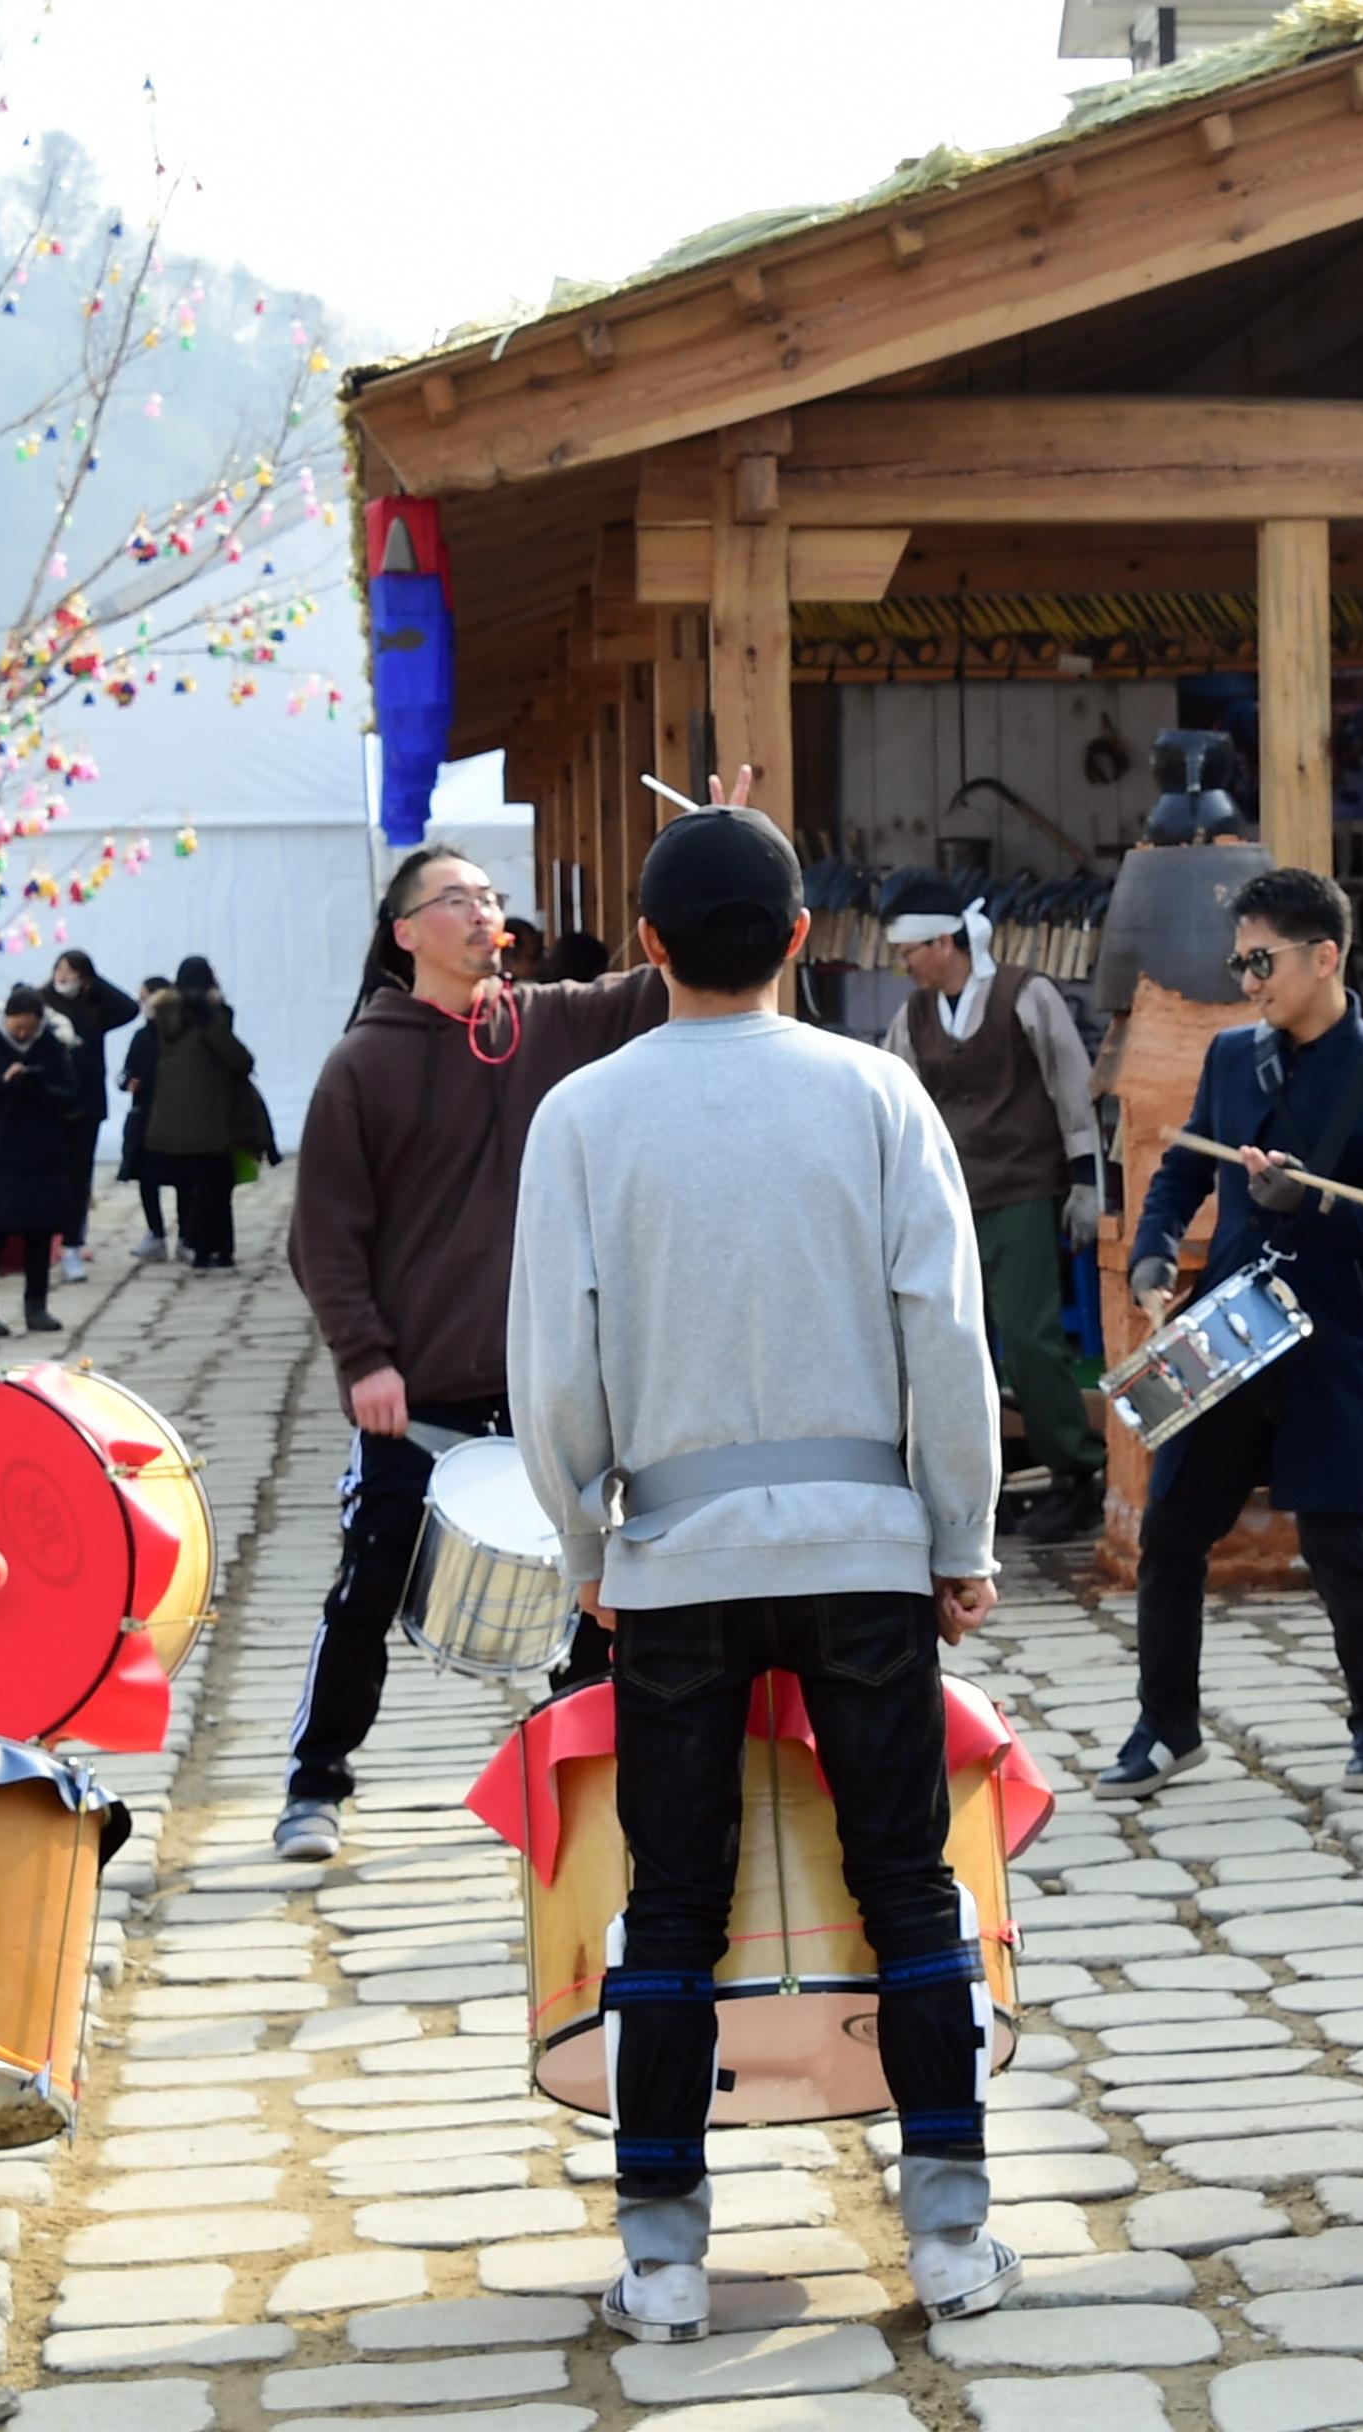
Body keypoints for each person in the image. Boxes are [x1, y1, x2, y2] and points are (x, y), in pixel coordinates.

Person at [508, 791, 1018, 2340]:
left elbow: (553, 1370)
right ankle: (947, 2233)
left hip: (672, 1557)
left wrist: (589, 1538)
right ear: (804, 938)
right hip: (866, 1548)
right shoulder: (875, 1094)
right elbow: (946, 1334)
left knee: (672, 1902)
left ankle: (663, 2255)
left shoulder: (584, 1116)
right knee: (908, 1886)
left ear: (648, 944)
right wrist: (962, 1534)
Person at [276, 843, 668, 1861]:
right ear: (406, 931)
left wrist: (700, 857)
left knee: (593, 1597)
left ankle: (592, 1787)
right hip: (418, 1396)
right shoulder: (362, 1062)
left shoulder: (542, 1023)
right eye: (457, 899)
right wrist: (366, 1358)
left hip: (549, 1387)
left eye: (490, 897)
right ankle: (316, 1783)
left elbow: (655, 987)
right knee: (369, 1586)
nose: (482, 912)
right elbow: (321, 1232)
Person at [1099, 868, 1363, 1800]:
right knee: (1171, 1532)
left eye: (1261, 961)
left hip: (1337, 1341)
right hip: (1230, 1334)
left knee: (1336, 1541)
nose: (1246, 981)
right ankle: (1166, 1726)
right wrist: (1155, 1252)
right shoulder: (1231, 1057)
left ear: (1324, 956)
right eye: (1239, 961)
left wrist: (1310, 1201)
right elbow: (1180, 1171)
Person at [880, 877, 1107, 1546]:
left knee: (1031, 1337)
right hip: (946, 1198)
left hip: (1021, 1189)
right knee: (955, 1347)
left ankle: (1075, 1473)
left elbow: (1072, 1086)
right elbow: (897, 1104)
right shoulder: (914, 1016)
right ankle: (979, 1488)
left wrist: (1085, 1181)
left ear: (943, 942)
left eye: (910, 950)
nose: (904, 965)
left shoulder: (1024, 995)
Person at [0, 984, 79, 1340]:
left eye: (28, 1028)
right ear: (5, 1020)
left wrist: (37, 1087)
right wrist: (1, 1083)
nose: (21, 1034)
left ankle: (36, 1306)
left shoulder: (52, 1048)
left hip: (42, 1157)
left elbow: (69, 1096)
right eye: (16, 1027)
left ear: (39, 1024)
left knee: (39, 1235)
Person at [143, 956, 254, 1269]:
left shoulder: (162, 1018)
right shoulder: (214, 1015)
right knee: (217, 1182)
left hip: (173, 1117)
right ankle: (218, 1248)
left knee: (191, 1184)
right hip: (212, 1114)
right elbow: (236, 1058)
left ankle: (196, 1246)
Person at [43, 951, 138, 1283]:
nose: (63, 976)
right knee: (50, 1175)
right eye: (59, 969)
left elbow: (130, 1008)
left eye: (72, 971)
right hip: (50, 1104)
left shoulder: (95, 1008)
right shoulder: (43, 1004)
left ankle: (72, 1244)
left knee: (79, 1177)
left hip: (86, 1103)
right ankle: (47, 1241)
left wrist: (95, 984)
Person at [119, 974, 172, 1257]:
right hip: (144, 1117)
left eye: (145, 998)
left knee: (183, 1178)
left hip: (174, 1114)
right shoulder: (142, 1036)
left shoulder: (178, 1033)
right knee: (147, 1178)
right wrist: (128, 1080)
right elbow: (127, 1071)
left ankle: (187, 1232)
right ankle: (156, 1231)